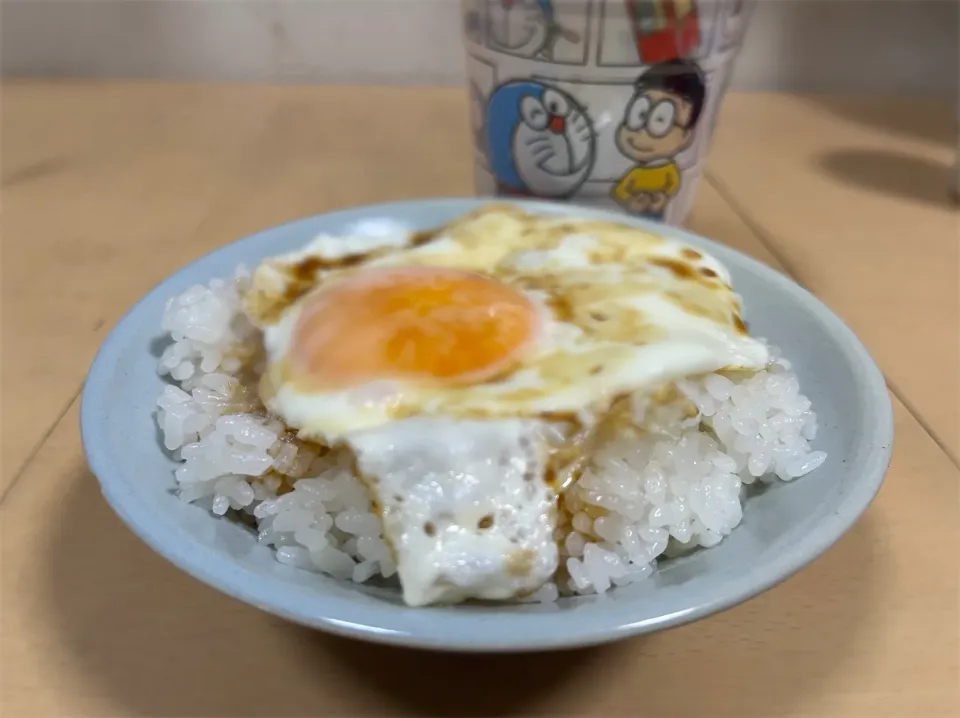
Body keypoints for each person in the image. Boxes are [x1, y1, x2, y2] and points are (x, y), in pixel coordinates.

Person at [611, 58, 706, 221]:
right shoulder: (635, 173)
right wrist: (632, 201)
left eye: (661, 120)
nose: (641, 132)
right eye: (639, 114)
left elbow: (673, 187)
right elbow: (620, 192)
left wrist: (661, 198)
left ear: (686, 136)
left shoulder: (669, 171)